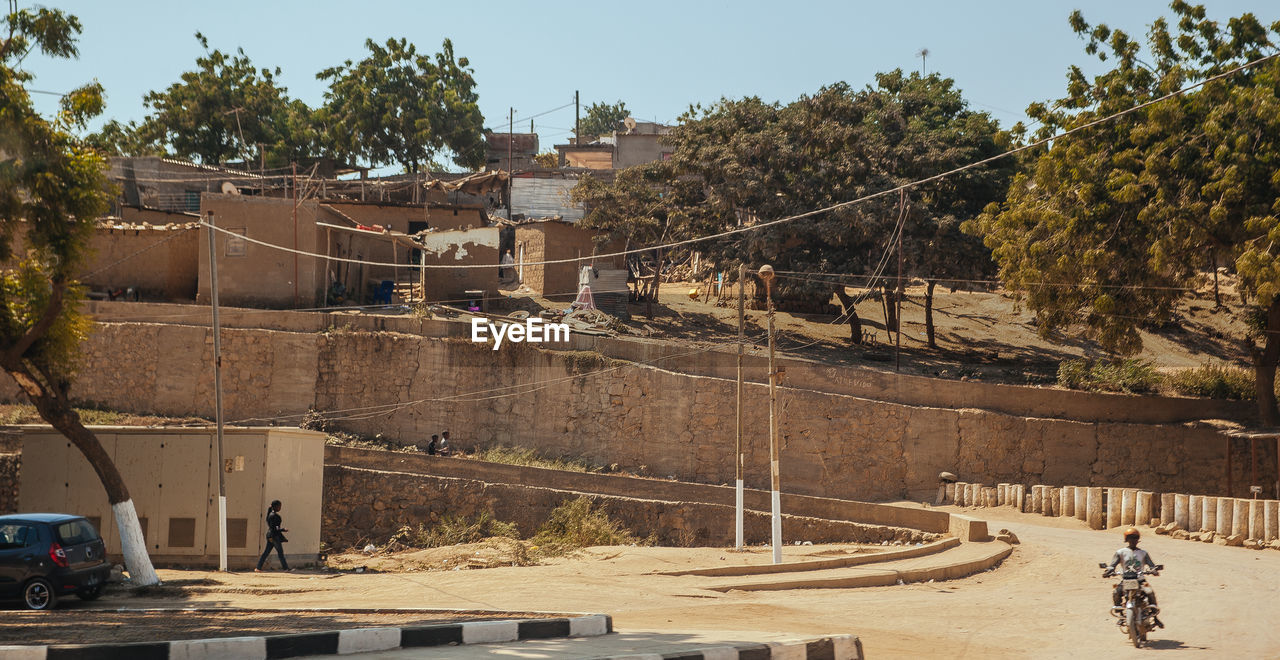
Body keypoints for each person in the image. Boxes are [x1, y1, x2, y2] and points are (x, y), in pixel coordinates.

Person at [1105, 527, 1161, 626]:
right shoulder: (1120, 552)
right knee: (1116, 592)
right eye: (1131, 538)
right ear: (1126, 539)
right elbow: (1112, 565)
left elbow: (1151, 565)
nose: (1133, 540)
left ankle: (1155, 617)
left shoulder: (1143, 553)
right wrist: (1108, 571)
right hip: (1126, 580)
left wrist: (1154, 570)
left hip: (1140, 580)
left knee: (1150, 592)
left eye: (1135, 537)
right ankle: (1122, 616)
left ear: (1138, 539)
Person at [256, 499, 289, 572]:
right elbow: (276, 528)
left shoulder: (269, 515)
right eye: (279, 506)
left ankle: (258, 567)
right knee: (280, 552)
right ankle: (286, 568)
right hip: (274, 536)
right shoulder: (276, 516)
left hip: (269, 536)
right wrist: (283, 529)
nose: (280, 508)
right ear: (276, 506)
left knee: (266, 552)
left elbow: (273, 527)